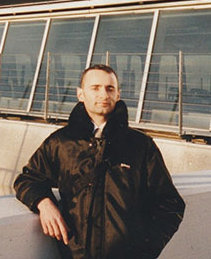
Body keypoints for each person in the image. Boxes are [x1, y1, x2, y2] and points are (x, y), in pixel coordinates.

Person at [14, 64, 185, 259]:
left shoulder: (140, 145)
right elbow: (28, 179)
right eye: (95, 88)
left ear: (118, 94)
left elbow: (170, 204)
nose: (103, 94)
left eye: (109, 88)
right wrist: (43, 203)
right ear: (80, 94)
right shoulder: (61, 143)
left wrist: (145, 250)